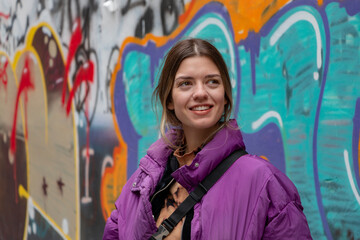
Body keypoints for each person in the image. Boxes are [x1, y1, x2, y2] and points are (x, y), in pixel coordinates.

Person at [103, 38, 312, 239]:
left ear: (224, 95)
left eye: (212, 82)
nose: (201, 93)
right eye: (186, 84)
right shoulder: (144, 182)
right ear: (169, 100)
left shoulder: (264, 182)